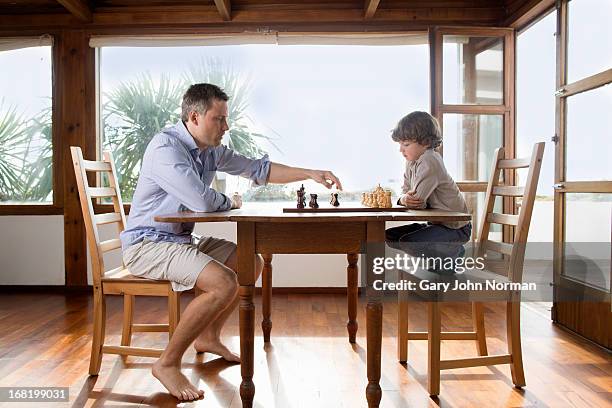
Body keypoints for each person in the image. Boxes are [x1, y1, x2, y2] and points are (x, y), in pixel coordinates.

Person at [120, 83, 342, 401]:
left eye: (226, 119)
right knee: (223, 283)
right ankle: (167, 363)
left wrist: (309, 173)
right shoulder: (165, 149)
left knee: (249, 263)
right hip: (147, 244)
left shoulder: (209, 150)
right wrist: (231, 200)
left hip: (180, 239)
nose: (226, 126)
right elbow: (202, 201)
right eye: (219, 119)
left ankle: (209, 337)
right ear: (194, 116)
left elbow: (257, 169)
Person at [385, 111, 471, 271]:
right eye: (400, 144)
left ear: (425, 142)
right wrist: (404, 199)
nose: (400, 150)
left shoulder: (429, 160)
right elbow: (405, 193)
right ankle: (444, 257)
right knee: (389, 236)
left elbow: (416, 202)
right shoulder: (412, 162)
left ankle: (452, 252)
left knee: (408, 243)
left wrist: (405, 199)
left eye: (406, 144)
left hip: (455, 228)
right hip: (436, 224)